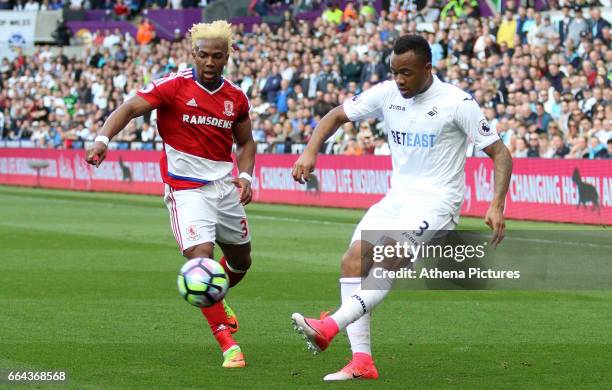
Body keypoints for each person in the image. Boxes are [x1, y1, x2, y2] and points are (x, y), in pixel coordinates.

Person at [290, 34, 512, 381]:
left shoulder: (458, 103)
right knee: (353, 260)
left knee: (390, 254)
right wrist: (310, 151)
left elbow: (500, 153)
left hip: (438, 202)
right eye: (394, 72)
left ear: (428, 68)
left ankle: (330, 325)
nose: (400, 80)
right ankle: (361, 361)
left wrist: (496, 203)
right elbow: (335, 116)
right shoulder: (387, 94)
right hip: (397, 198)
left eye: (406, 73)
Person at [85, 21, 255, 369]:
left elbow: (246, 141)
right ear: (193, 54)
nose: (209, 61)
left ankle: (218, 300)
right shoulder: (173, 86)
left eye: (216, 56)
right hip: (186, 190)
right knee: (201, 261)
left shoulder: (235, 97)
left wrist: (247, 175)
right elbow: (130, 108)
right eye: (203, 54)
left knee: (241, 262)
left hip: (225, 189)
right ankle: (227, 342)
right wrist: (103, 140)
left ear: (227, 57)